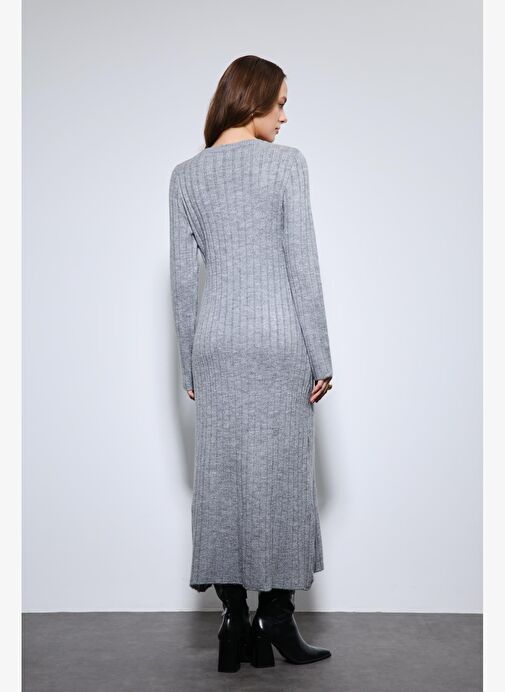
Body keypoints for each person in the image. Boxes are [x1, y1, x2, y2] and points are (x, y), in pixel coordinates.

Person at [169, 55, 333, 673]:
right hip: (278, 341)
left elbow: (183, 281)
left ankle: (233, 618)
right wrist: (321, 354)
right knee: (284, 476)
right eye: (281, 103)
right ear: (254, 98)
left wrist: (189, 364)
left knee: (221, 477)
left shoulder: (185, 176)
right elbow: (302, 264)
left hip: (215, 344)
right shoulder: (286, 165)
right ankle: (277, 617)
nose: (285, 116)